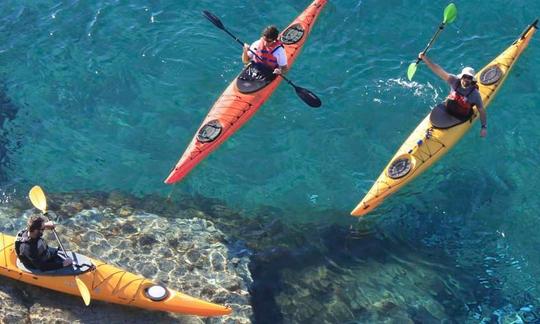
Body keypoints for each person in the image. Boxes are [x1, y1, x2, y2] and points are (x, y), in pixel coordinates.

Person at [419, 53, 487, 137]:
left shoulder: (475, 94)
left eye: (469, 78)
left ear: (472, 80)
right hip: (449, 109)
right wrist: (424, 58)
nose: (466, 79)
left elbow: (481, 110)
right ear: (461, 77)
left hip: (461, 116)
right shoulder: (454, 80)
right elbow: (438, 70)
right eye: (465, 76)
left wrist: (483, 127)